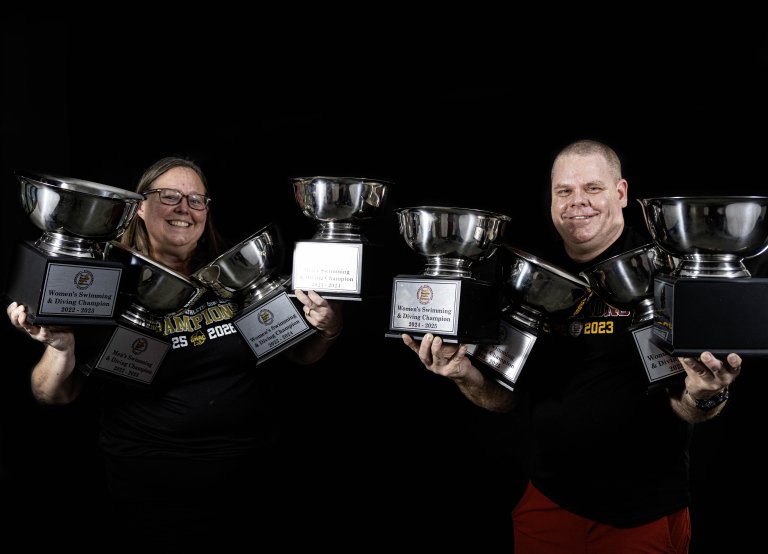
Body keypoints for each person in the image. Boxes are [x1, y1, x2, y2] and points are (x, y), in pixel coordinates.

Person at [401, 139, 743, 553]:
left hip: (642, 515)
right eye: (564, 191)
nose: (576, 202)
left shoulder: (666, 270)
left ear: (620, 193)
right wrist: (464, 374)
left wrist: (707, 394)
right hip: (548, 503)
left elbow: (686, 401)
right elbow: (507, 397)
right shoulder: (526, 276)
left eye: (592, 188)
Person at [6, 156, 343, 549]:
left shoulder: (233, 276)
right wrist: (61, 350)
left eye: (197, 199)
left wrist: (328, 330)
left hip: (252, 476)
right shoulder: (101, 284)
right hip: (150, 485)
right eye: (169, 196)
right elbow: (51, 393)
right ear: (140, 206)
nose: (185, 208)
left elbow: (299, 355)